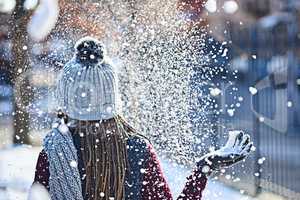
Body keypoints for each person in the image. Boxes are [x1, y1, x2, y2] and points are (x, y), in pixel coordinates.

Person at [32, 37, 253, 200]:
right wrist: (203, 169)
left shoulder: (55, 152)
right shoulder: (137, 150)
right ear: (113, 97)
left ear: (66, 98)